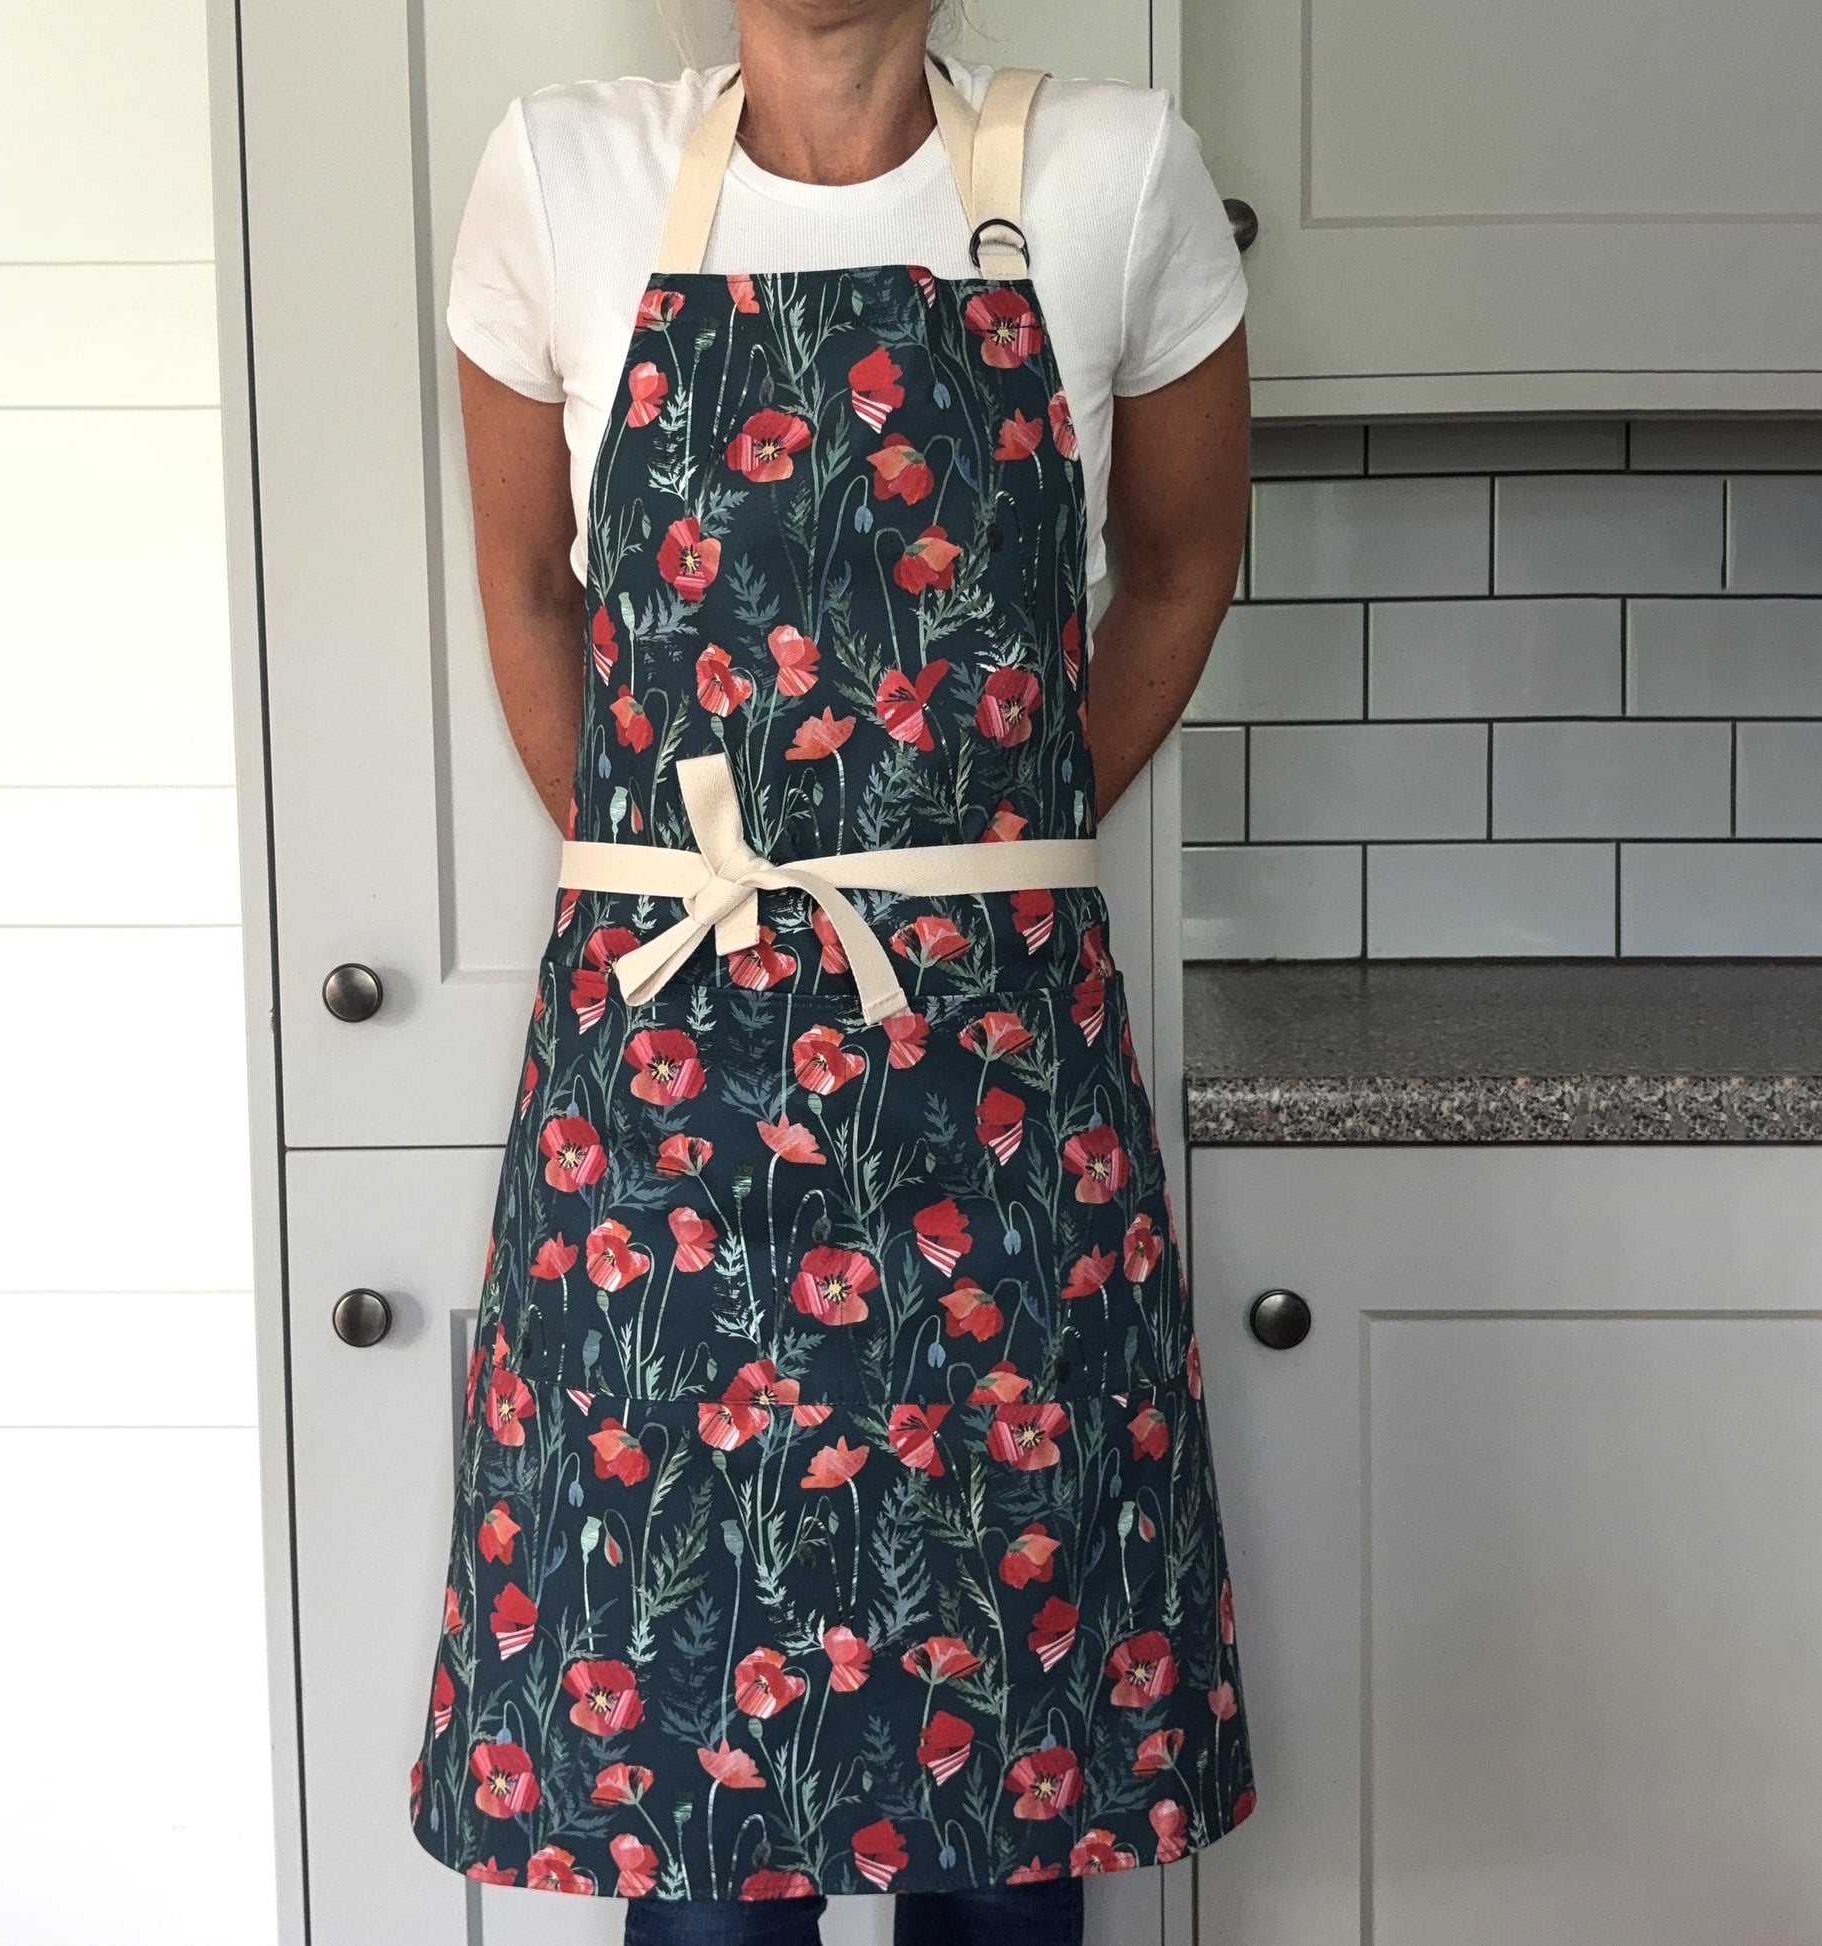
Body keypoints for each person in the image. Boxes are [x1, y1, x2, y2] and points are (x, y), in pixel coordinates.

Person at [409, 4, 1256, 1941]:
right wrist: (661, 878)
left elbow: (1185, 555)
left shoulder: (1113, 169)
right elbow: (530, 578)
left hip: (990, 1078)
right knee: (688, 1797)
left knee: (1005, 1772)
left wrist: (993, 856)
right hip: (666, 1100)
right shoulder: (566, 167)